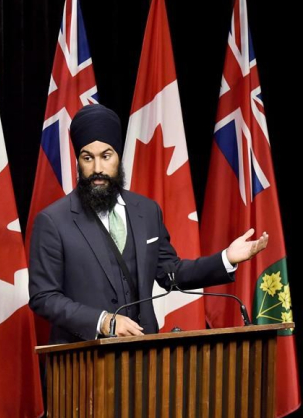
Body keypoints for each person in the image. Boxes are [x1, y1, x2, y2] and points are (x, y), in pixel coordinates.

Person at [28, 104, 268, 343]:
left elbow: (170, 274)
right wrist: (103, 321)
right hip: (81, 363)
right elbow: (44, 296)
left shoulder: (147, 211)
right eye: (88, 158)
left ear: (118, 157)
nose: (97, 168)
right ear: (78, 161)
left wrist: (226, 258)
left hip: (144, 359)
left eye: (106, 156)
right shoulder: (53, 220)